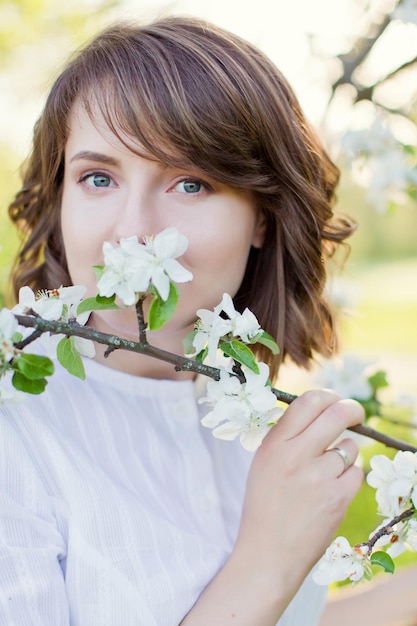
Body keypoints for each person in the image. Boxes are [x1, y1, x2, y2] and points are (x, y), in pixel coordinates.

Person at [0, 14, 406, 626]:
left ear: (263, 216)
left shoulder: (244, 418)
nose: (132, 230)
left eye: (190, 183)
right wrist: (267, 560)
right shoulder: (16, 426)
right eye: (98, 177)